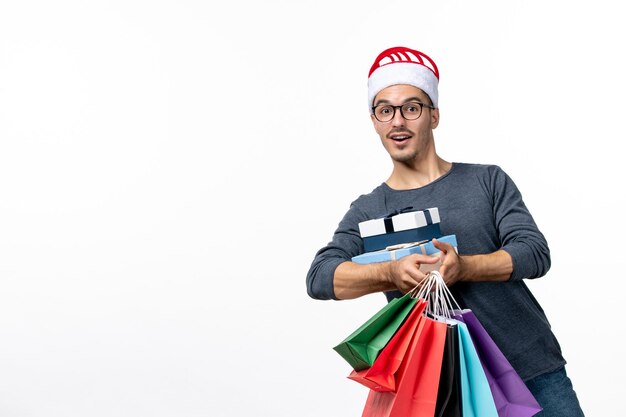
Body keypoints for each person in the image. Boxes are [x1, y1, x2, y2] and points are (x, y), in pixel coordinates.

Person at [305, 46, 584, 416]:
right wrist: (390, 272)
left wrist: (464, 267)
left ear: (433, 115)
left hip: (531, 370)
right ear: (374, 120)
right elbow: (320, 278)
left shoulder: (487, 180)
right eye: (385, 110)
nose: (398, 121)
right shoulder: (369, 209)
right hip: (443, 390)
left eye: (412, 107)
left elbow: (533, 252)